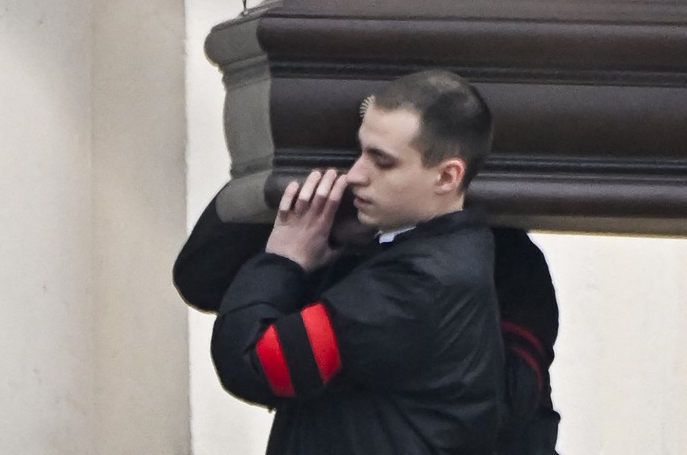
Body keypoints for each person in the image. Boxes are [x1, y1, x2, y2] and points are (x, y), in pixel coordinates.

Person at [176, 70, 561, 454]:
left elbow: (256, 362)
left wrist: (284, 259)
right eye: (359, 152)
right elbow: (201, 279)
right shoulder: (422, 255)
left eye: (382, 161)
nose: (355, 174)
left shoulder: (417, 283)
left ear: (447, 177)